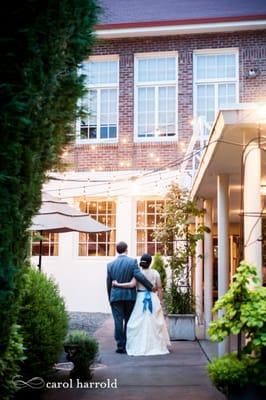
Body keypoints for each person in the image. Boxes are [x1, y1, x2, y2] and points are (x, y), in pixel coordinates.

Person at [112, 253, 170, 356]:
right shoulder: (155, 273)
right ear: (150, 262)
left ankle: (137, 344)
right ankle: (155, 345)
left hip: (140, 299)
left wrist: (117, 284)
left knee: (137, 322)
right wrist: (160, 301)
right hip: (153, 299)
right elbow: (160, 288)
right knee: (154, 322)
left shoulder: (138, 273)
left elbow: (131, 285)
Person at [106, 241, 153, 353]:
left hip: (115, 296)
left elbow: (108, 283)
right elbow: (138, 275)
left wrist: (110, 297)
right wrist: (150, 286)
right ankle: (127, 343)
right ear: (126, 249)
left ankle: (120, 346)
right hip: (129, 297)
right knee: (128, 320)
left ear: (117, 250)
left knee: (118, 321)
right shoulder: (132, 262)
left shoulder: (110, 265)